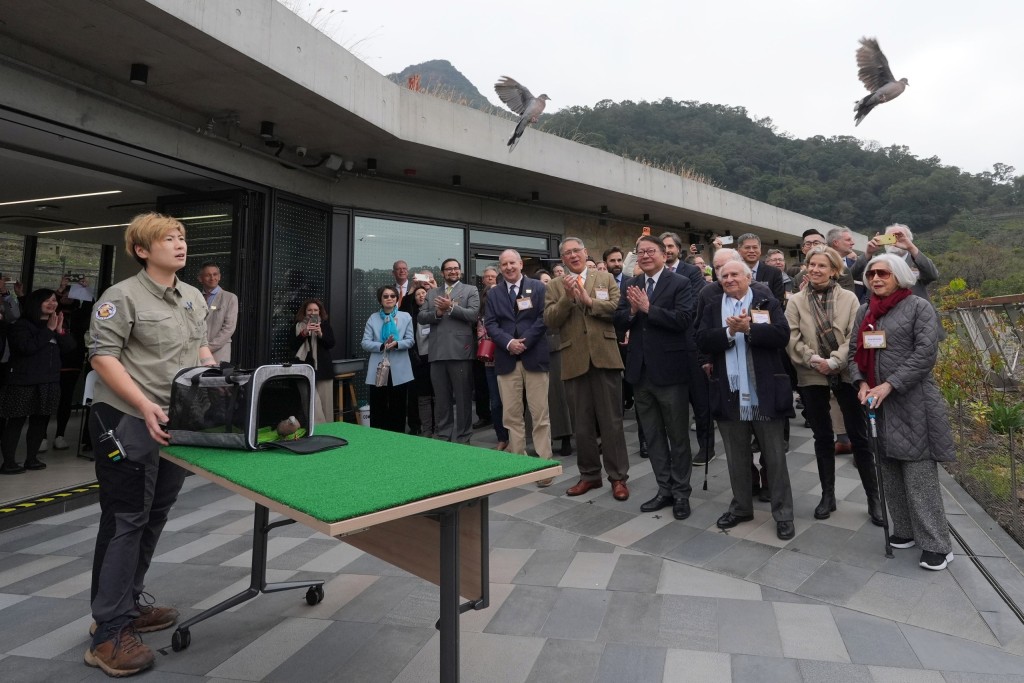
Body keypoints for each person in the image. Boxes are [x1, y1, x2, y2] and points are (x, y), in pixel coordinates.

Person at [86, 212, 215, 676]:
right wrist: (143, 405)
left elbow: (200, 351)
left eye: (181, 236)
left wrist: (217, 391)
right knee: (125, 519)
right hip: (126, 419)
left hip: (174, 421)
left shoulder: (193, 296)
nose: (179, 244)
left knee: (155, 513)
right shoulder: (120, 297)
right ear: (143, 250)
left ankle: (128, 603)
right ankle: (108, 631)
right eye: (167, 238)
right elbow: (103, 357)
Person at [849, 253, 956, 571]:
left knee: (918, 474)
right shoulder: (864, 311)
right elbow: (856, 351)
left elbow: (925, 354)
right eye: (871, 274)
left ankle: (937, 544)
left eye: (883, 273)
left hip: (913, 403)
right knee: (888, 469)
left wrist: (889, 385)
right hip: (876, 403)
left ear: (898, 276)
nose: (876, 279)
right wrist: (861, 383)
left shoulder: (918, 307)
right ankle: (905, 530)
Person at [695, 259, 796, 541]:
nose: (728, 279)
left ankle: (784, 514)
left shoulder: (766, 301)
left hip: (765, 390)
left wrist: (750, 328)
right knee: (736, 456)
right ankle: (741, 508)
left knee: (774, 457)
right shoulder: (714, 306)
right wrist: (729, 332)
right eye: (723, 275)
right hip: (729, 391)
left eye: (734, 274)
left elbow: (782, 335)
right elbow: (701, 339)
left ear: (748, 277)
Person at [785, 246, 884, 527]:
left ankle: (873, 498)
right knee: (821, 436)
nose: (815, 270)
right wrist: (813, 359)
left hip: (845, 373)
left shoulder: (849, 298)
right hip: (811, 373)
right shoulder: (795, 301)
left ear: (834, 270)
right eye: (811, 265)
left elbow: (856, 335)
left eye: (822, 266)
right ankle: (828, 495)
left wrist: (836, 361)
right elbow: (791, 336)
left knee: (859, 437)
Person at [613, 236, 694, 519]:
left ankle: (682, 492)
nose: (645, 256)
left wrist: (649, 309)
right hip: (640, 372)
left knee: (678, 436)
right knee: (653, 436)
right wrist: (633, 311)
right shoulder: (631, 285)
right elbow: (619, 321)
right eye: (640, 252)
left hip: (670, 372)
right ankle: (664, 489)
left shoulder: (680, 283)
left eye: (651, 251)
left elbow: (684, 320)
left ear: (664, 254)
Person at [543, 237, 630, 501]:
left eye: (576, 251)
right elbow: (550, 321)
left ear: (585, 252)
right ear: (563, 259)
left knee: (611, 422)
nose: (573, 256)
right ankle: (589, 476)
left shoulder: (604, 278)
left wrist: (588, 301)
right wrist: (568, 300)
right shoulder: (556, 286)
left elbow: (617, 308)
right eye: (567, 253)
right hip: (574, 359)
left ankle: (618, 478)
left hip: (605, 358)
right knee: (581, 425)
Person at [485, 250, 554, 486]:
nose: (508, 267)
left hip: (534, 356)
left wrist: (524, 341)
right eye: (503, 264)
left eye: (512, 263)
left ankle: (544, 465)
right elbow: (491, 324)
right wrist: (508, 342)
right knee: (511, 415)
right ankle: (519, 464)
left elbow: (544, 317)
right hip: (506, 359)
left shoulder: (538, 287)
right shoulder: (494, 293)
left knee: (539, 414)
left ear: (521, 264)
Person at [0, 289, 75, 474]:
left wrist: (59, 331)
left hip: (49, 381)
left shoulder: (54, 323)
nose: (53, 304)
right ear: (36, 303)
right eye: (47, 301)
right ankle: (8, 462)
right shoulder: (21, 325)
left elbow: (69, 348)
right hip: (23, 380)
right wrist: (49, 331)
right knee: (16, 421)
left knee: (40, 421)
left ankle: (31, 459)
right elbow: (26, 347)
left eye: (54, 300)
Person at [418, 258, 480, 443]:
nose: (452, 271)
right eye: (448, 269)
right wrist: (436, 314)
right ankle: (444, 435)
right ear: (442, 272)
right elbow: (421, 316)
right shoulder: (432, 293)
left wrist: (451, 307)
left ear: (460, 271)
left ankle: (463, 437)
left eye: (455, 268)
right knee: (442, 399)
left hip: (460, 351)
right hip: (437, 353)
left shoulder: (470, 290)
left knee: (462, 399)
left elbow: (473, 314)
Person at [361, 285, 414, 432]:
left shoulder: (405, 317)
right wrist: (381, 345)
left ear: (397, 299)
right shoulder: (373, 318)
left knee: (399, 405)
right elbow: (365, 342)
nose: (389, 298)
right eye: (386, 296)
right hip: (379, 368)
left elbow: (410, 340)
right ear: (380, 300)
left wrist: (397, 343)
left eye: (392, 296)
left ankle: (397, 439)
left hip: (400, 368)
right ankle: (378, 439)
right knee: (378, 405)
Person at [537, 269, 573, 456]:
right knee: (542, 399)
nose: (546, 283)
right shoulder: (532, 298)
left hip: (557, 348)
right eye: (542, 281)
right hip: (536, 349)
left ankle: (566, 437)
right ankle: (545, 440)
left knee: (561, 396)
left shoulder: (559, 296)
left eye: (548, 280)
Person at [291, 299, 336, 424]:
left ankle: (330, 431)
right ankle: (318, 429)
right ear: (304, 312)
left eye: (316, 310)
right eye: (309, 310)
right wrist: (304, 333)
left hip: (323, 369)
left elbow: (331, 343)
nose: (312, 312)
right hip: (303, 370)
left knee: (326, 404)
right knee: (311, 401)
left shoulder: (325, 325)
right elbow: (292, 346)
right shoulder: (297, 326)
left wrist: (320, 333)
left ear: (320, 312)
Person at [477, 266, 507, 448]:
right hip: (490, 363)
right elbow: (481, 337)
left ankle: (514, 437)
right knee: (496, 402)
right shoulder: (481, 316)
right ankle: (501, 438)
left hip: (509, 360)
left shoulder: (507, 312)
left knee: (511, 402)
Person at [408, 281, 435, 437]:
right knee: (423, 396)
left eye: (423, 293)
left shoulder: (435, 313)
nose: (420, 296)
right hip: (420, 360)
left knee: (437, 396)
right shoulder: (411, 316)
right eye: (417, 294)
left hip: (436, 358)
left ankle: (438, 427)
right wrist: (412, 289)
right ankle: (426, 429)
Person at [197, 262, 238, 364]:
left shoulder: (230, 298)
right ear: (200, 278)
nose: (212, 278)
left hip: (218, 353)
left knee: (215, 379)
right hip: (195, 353)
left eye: (215, 274)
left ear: (219, 277)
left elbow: (228, 328)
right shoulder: (195, 297)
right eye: (208, 275)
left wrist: (207, 348)